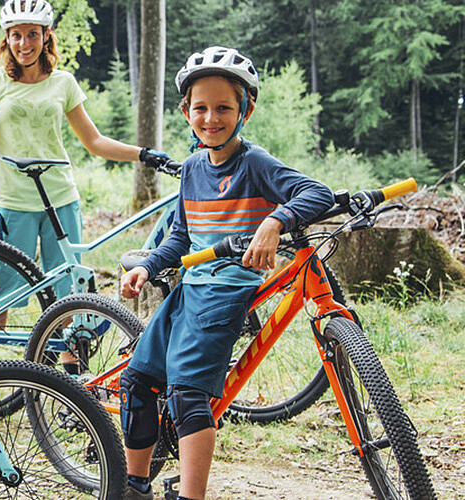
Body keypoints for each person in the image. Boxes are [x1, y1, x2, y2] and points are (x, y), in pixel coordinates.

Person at [118, 46, 335, 500]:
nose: (211, 118)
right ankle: (135, 487)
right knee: (137, 382)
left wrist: (275, 221)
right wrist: (148, 267)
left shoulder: (254, 164)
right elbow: (180, 238)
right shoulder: (194, 167)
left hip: (225, 292)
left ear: (245, 111)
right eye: (201, 108)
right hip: (189, 290)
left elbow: (317, 193)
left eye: (223, 108)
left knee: (186, 393)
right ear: (185, 111)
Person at [0, 0, 172, 362]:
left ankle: (74, 385)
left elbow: (94, 142)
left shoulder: (63, 82)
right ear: (7, 39)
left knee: (68, 291)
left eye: (32, 34)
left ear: (46, 36)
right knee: (1, 291)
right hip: (12, 203)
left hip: (60, 198)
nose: (24, 43)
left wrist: (143, 153)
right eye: (16, 35)